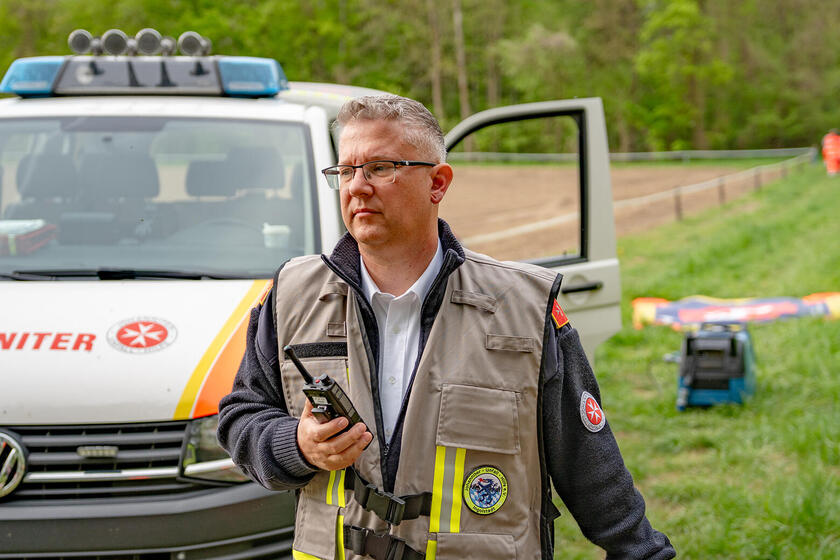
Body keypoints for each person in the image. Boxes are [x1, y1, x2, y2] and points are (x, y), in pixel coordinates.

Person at [217, 94, 675, 560]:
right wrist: (296, 444)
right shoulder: (291, 295)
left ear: (437, 183)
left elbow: (591, 468)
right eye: (346, 171)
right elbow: (241, 417)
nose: (357, 187)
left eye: (380, 168)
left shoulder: (524, 308)